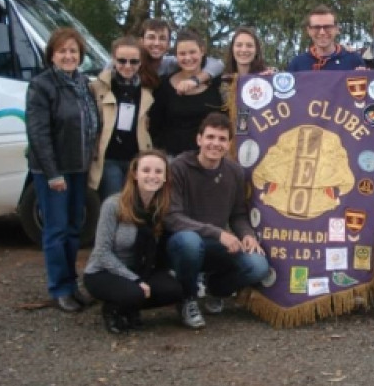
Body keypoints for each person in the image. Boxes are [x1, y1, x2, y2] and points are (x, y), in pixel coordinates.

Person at [164, 113, 270, 329]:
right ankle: (187, 298)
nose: (215, 143)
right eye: (210, 137)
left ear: (229, 144)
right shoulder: (178, 167)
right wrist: (218, 233)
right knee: (189, 242)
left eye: (222, 139)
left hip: (216, 244)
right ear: (199, 139)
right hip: (182, 244)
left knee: (258, 266)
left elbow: (238, 214)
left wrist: (247, 235)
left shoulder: (235, 172)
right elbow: (172, 217)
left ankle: (216, 289)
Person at [25, 27, 101, 312]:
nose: (68, 56)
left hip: (78, 167)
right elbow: (38, 134)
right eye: (62, 51)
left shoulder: (83, 83)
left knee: (73, 229)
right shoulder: (41, 86)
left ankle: (72, 284)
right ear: (52, 55)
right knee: (56, 230)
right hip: (53, 171)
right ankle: (60, 288)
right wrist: (52, 173)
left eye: (73, 51)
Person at [83, 150, 184, 333]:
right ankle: (113, 309)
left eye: (158, 171)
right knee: (134, 292)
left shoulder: (161, 208)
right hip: (104, 271)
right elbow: (102, 253)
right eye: (146, 170)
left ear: (165, 178)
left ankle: (130, 307)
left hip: (139, 269)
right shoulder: (113, 205)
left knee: (174, 290)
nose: (152, 176)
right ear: (135, 174)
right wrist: (134, 279)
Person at [89, 37, 154, 202]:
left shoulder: (146, 90)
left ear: (141, 62)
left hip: (136, 158)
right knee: (113, 203)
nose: (128, 66)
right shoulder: (98, 87)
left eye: (134, 62)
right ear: (113, 59)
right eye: (122, 61)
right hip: (109, 157)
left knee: (135, 205)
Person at [148, 28, 225, 156]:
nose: (188, 58)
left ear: (202, 51)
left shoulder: (216, 83)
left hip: (208, 157)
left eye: (192, 52)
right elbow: (155, 127)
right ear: (176, 56)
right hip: (172, 158)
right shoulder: (163, 86)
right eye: (182, 54)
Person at [138, 17, 224, 92]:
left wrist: (196, 80)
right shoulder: (133, 63)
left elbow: (218, 64)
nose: (157, 43)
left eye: (162, 38)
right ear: (141, 41)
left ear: (168, 44)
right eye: (151, 37)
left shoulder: (170, 64)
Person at [286, 5, 363, 71]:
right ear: (309, 31)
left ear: (337, 29)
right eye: (316, 27)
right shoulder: (297, 64)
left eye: (327, 27)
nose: (322, 32)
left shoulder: (354, 60)